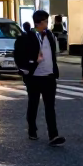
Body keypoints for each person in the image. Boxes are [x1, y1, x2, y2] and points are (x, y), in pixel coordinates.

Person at [15, 11, 63, 145]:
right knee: (33, 103)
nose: (47, 24)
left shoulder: (50, 35)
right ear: (40, 22)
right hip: (34, 76)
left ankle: (53, 135)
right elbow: (19, 55)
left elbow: (54, 53)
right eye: (46, 22)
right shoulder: (27, 37)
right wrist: (32, 62)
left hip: (49, 76)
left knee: (50, 107)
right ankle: (32, 129)